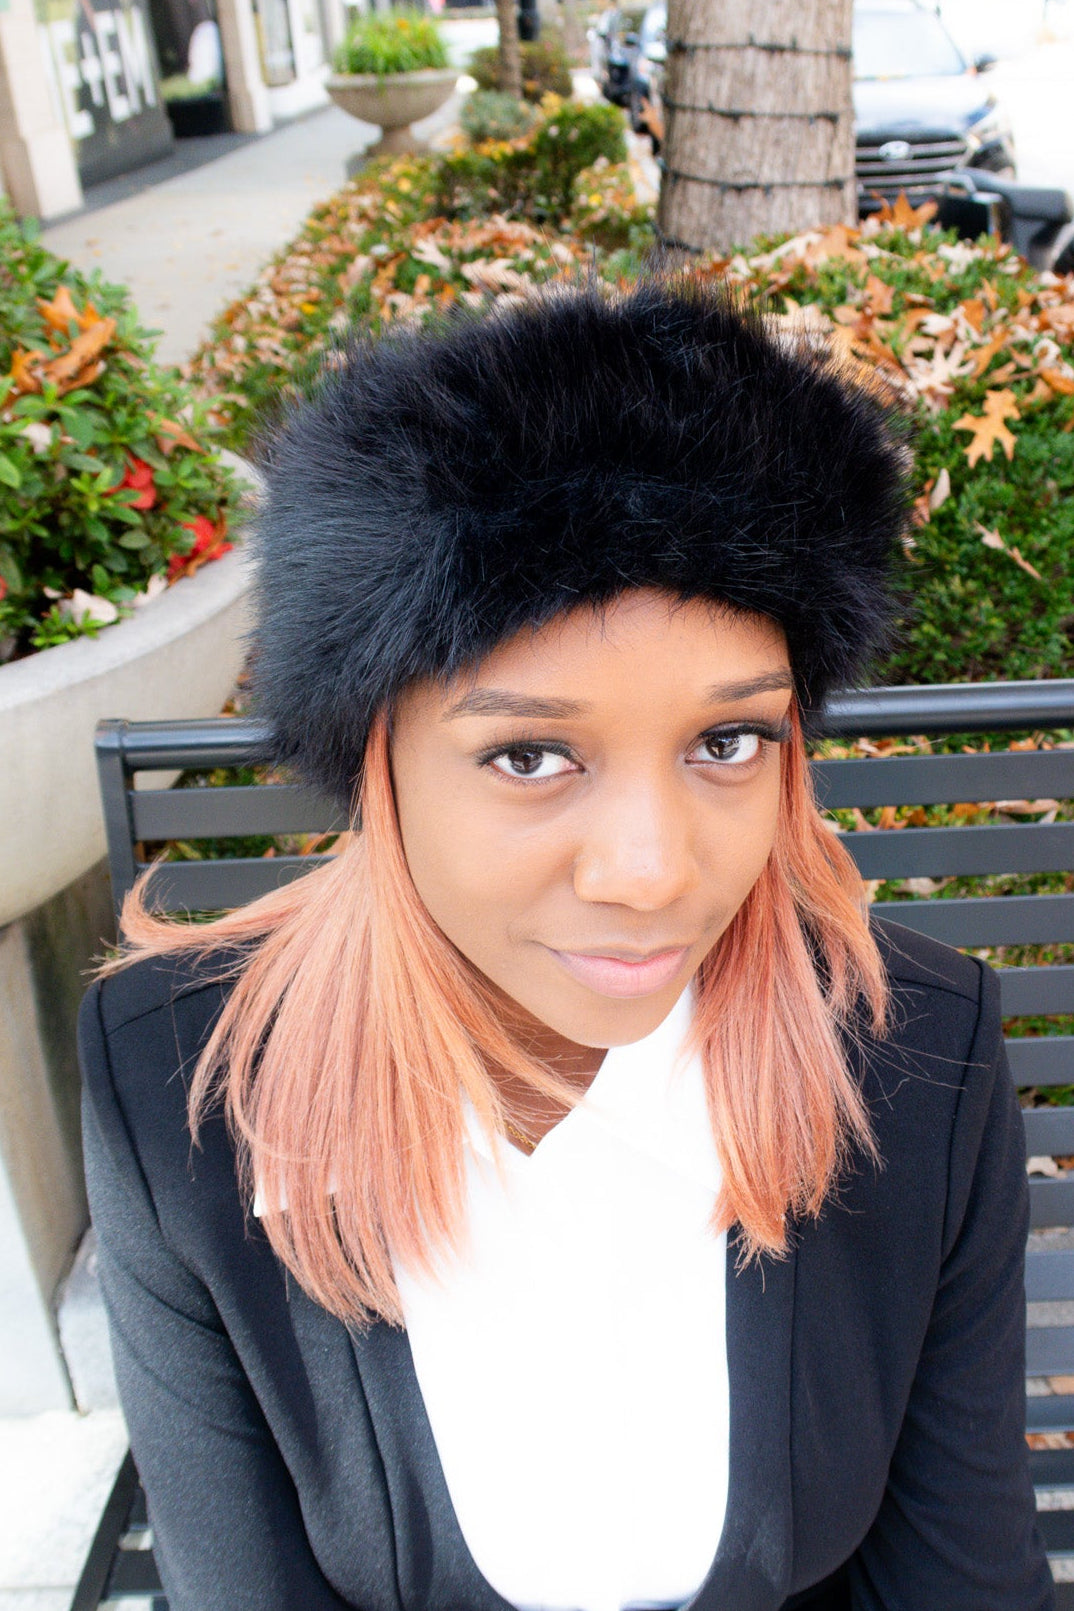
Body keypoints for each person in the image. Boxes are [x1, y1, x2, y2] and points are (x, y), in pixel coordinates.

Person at [79, 278, 1053, 1611]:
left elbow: (963, 1583)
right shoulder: (182, 1092)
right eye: (530, 755)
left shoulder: (915, 1059)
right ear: (378, 766)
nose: (650, 874)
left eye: (727, 741)